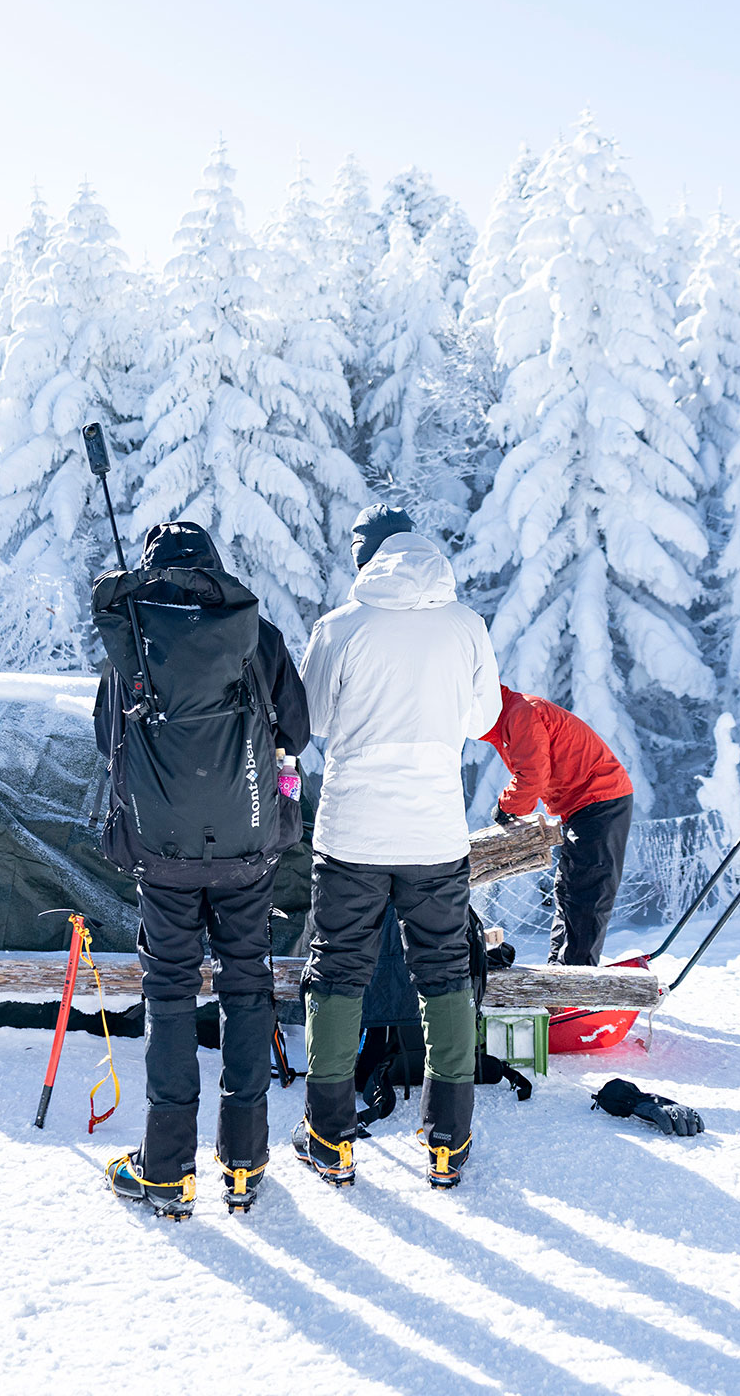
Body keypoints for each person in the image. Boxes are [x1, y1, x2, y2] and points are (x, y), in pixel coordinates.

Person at [93, 522, 309, 1219]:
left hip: (163, 854)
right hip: (247, 847)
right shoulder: (255, 635)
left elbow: (108, 738)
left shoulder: (135, 643)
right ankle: (244, 1163)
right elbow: (298, 731)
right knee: (248, 990)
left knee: (172, 997)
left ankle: (166, 1171)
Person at [294, 504, 501, 1190]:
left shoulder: (341, 626)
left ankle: (327, 1136)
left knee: (338, 971)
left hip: (353, 830)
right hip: (435, 831)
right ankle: (448, 1137)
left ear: (366, 560)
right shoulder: (465, 625)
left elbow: (311, 719)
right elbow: (483, 719)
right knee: (442, 971)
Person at [481, 685, 634, 966]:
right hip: (583, 805)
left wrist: (507, 806)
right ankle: (559, 974)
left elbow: (532, 775)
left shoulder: (521, 713)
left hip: (599, 800)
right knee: (568, 890)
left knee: (586, 895)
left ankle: (576, 983)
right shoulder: (511, 715)